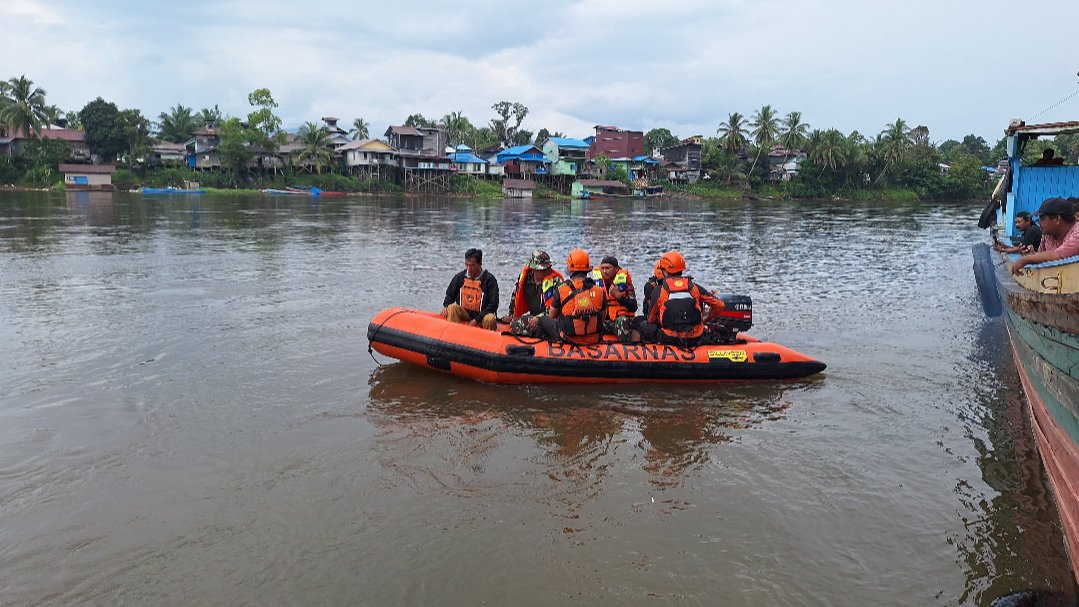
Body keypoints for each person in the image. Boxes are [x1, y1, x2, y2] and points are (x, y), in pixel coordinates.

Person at [637, 251, 725, 346]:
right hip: (695, 338)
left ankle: (653, 355)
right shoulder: (694, 287)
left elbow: (651, 319)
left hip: (670, 338)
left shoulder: (659, 290)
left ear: (666, 271)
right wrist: (705, 320)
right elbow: (720, 305)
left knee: (644, 325)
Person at [536, 249, 607, 345]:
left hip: (568, 339)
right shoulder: (600, 291)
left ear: (570, 270)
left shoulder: (562, 289)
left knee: (542, 320)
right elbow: (602, 318)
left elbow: (552, 315)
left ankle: (544, 347)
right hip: (594, 338)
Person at [504, 250, 564, 336]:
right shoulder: (526, 279)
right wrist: (511, 315)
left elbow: (557, 307)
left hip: (550, 319)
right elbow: (515, 296)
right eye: (543, 269)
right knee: (515, 324)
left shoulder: (556, 281)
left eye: (548, 268)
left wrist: (539, 318)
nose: (546, 271)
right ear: (534, 268)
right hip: (533, 316)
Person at [1011, 198, 1079, 274]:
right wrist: (1031, 254)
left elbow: (1057, 255)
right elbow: (1042, 255)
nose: (1039, 222)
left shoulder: (1077, 232)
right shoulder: (1048, 234)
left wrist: (1025, 259)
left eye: (1042, 218)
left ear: (1057, 219)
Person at [441, 247, 499, 330]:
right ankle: (452, 335)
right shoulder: (459, 277)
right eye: (466, 265)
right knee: (452, 308)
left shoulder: (490, 280)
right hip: (465, 313)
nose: (468, 269)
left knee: (490, 319)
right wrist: (446, 306)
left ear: (480, 264)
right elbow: (450, 295)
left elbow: (493, 305)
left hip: (482, 316)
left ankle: (488, 340)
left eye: (472, 266)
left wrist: (477, 319)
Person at [589, 256, 638, 342]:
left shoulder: (625, 284)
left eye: (608, 268)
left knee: (622, 320)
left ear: (616, 269)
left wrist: (618, 296)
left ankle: (624, 348)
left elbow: (634, 306)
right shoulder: (595, 284)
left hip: (619, 321)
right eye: (602, 268)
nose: (604, 271)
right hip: (604, 322)